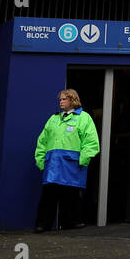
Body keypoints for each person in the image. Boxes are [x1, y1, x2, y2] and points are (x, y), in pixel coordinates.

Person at [34, 89, 100, 233]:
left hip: (72, 165)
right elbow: (42, 141)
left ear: (73, 100)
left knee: (70, 195)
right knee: (48, 196)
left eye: (64, 99)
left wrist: (83, 160)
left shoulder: (84, 118)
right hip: (53, 165)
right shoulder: (54, 119)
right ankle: (43, 225)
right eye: (60, 100)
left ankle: (70, 223)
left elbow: (91, 142)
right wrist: (41, 160)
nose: (61, 102)